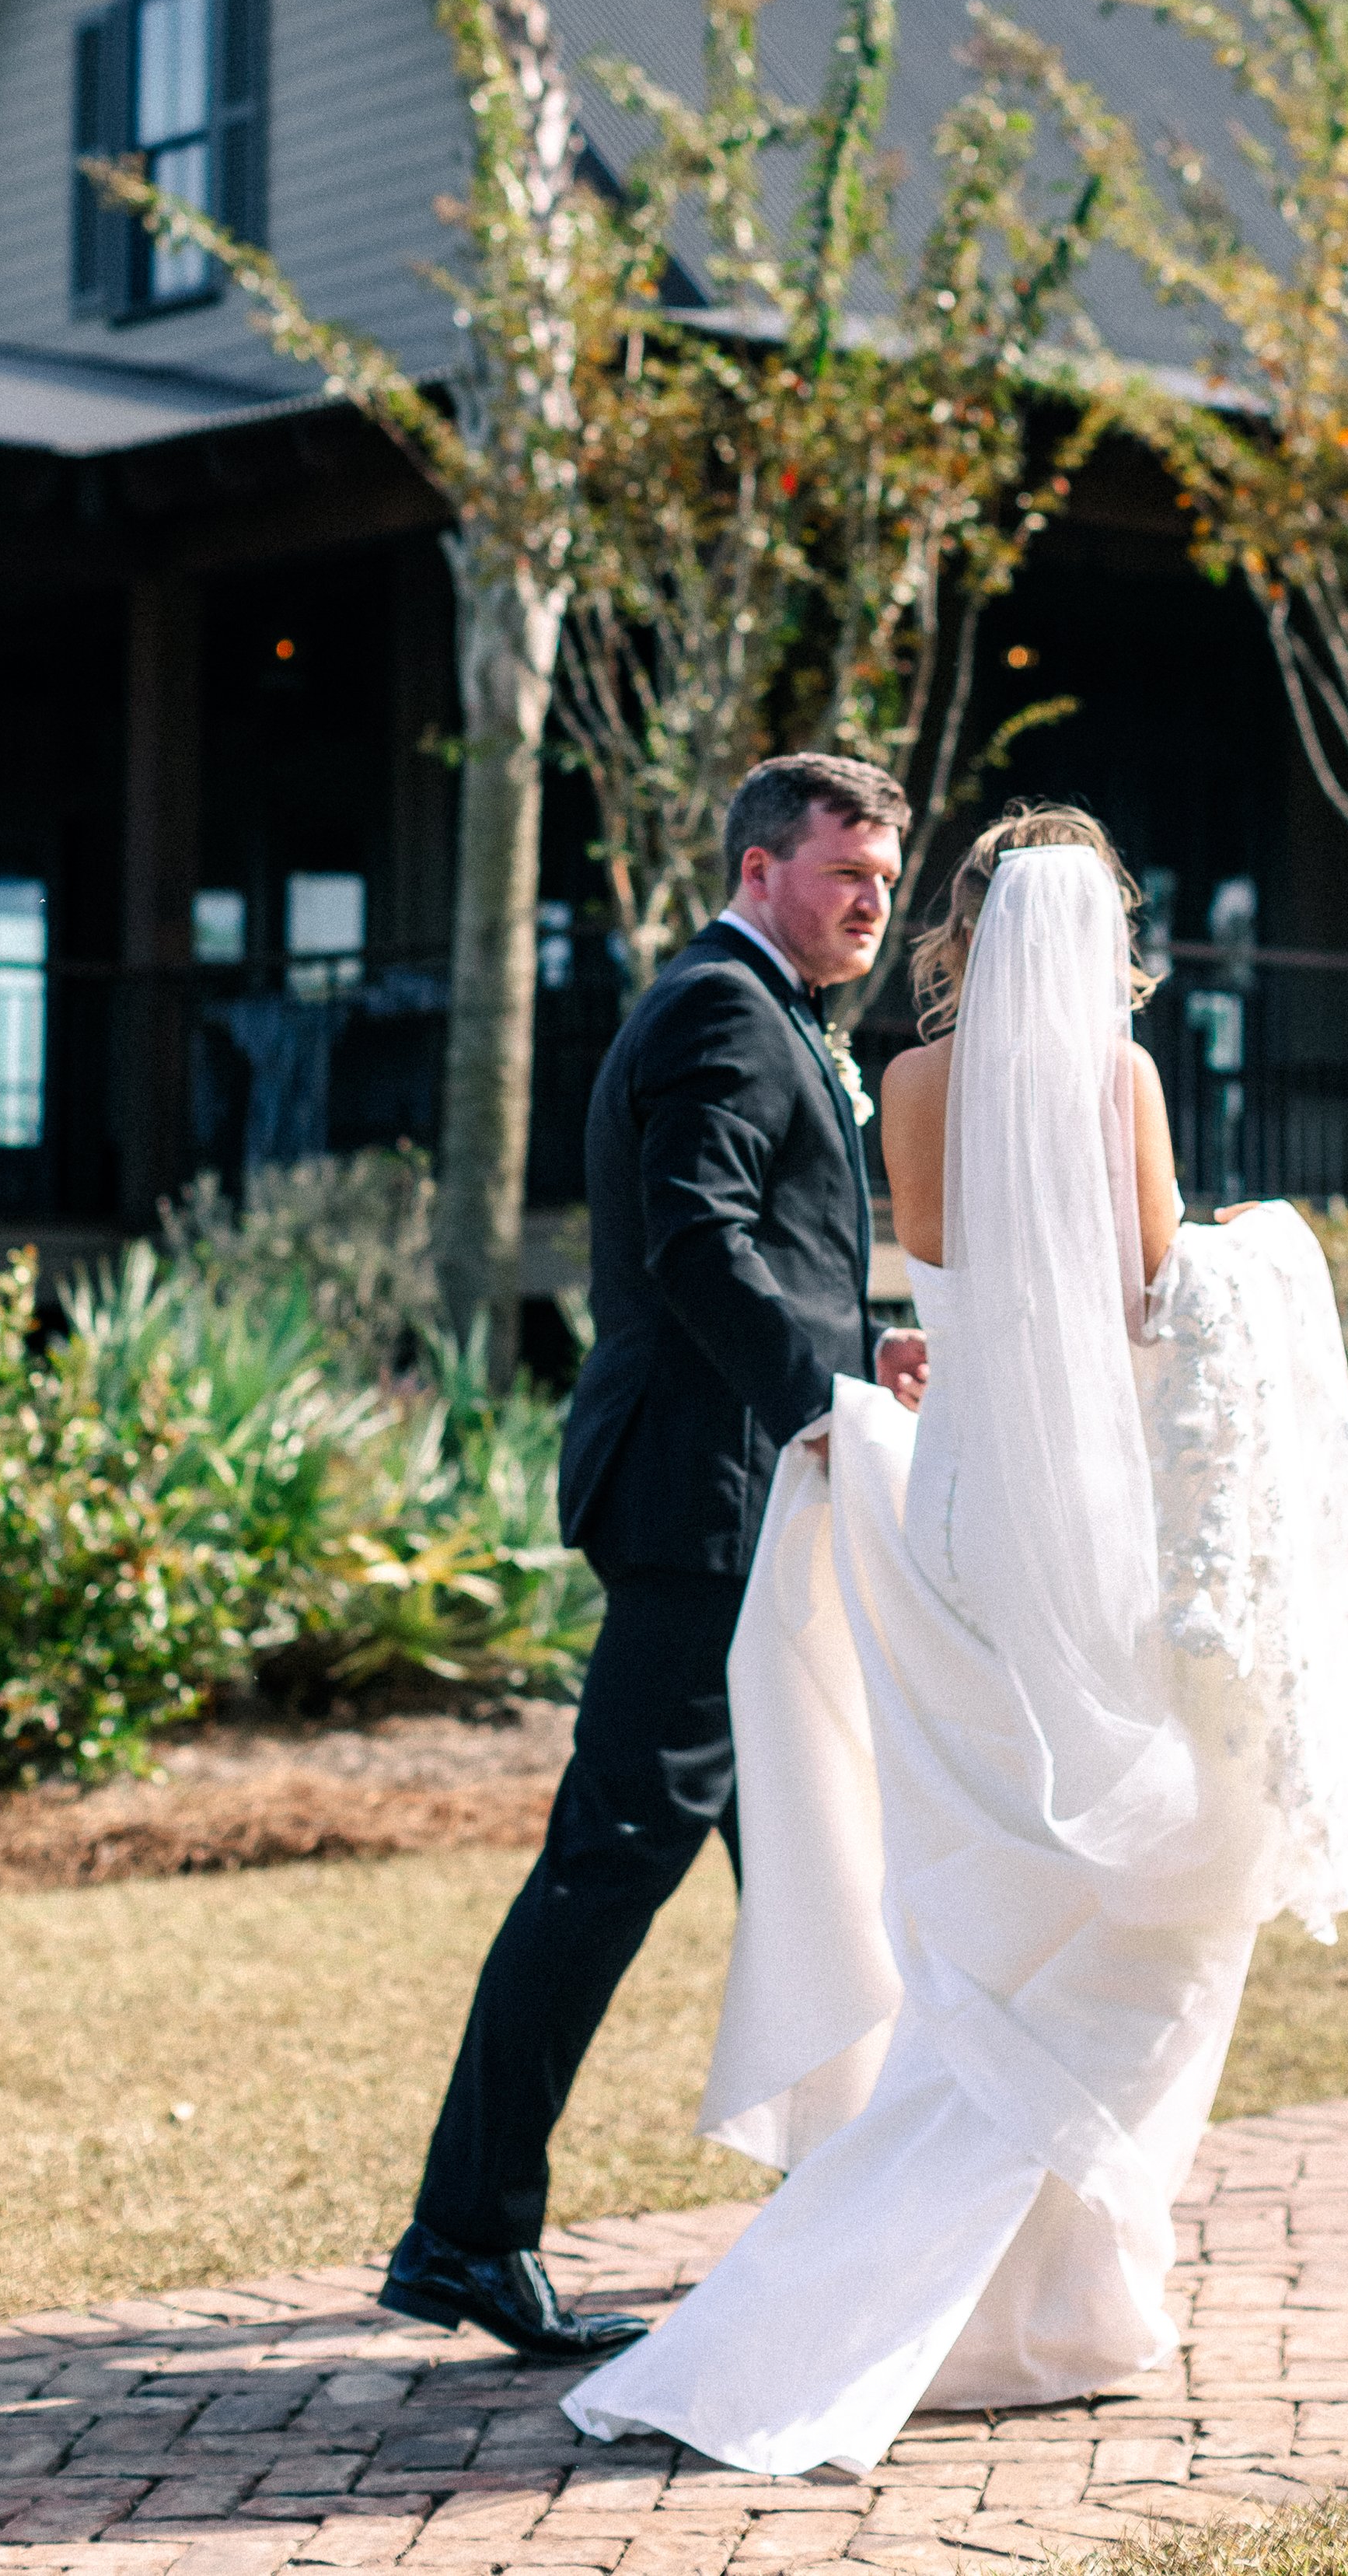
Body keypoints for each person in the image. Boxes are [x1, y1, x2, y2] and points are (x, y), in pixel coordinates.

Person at [564, 803, 1348, 2472]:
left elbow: (945, 1271)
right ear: (1100, 937)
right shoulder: (1121, 1082)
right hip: (1076, 1542)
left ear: (962, 923)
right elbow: (1154, 1303)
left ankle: (1050, 2302)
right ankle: (994, 2303)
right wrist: (1264, 1256)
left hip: (957, 1509)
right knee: (1126, 1906)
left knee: (981, 1913)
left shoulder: (914, 1086)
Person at [379, 753, 928, 2363]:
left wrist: (862, 1347)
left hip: (754, 1494)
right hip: (704, 1509)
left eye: (888, 881)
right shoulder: (715, 1010)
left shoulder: (771, 1018)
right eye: (852, 875)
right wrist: (816, 1388)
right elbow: (697, 1240)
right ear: (762, 868)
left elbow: (764, 1246)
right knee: (611, 1856)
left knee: (822, 1851)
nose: (873, 907)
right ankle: (465, 2236)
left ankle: (861, 2198)